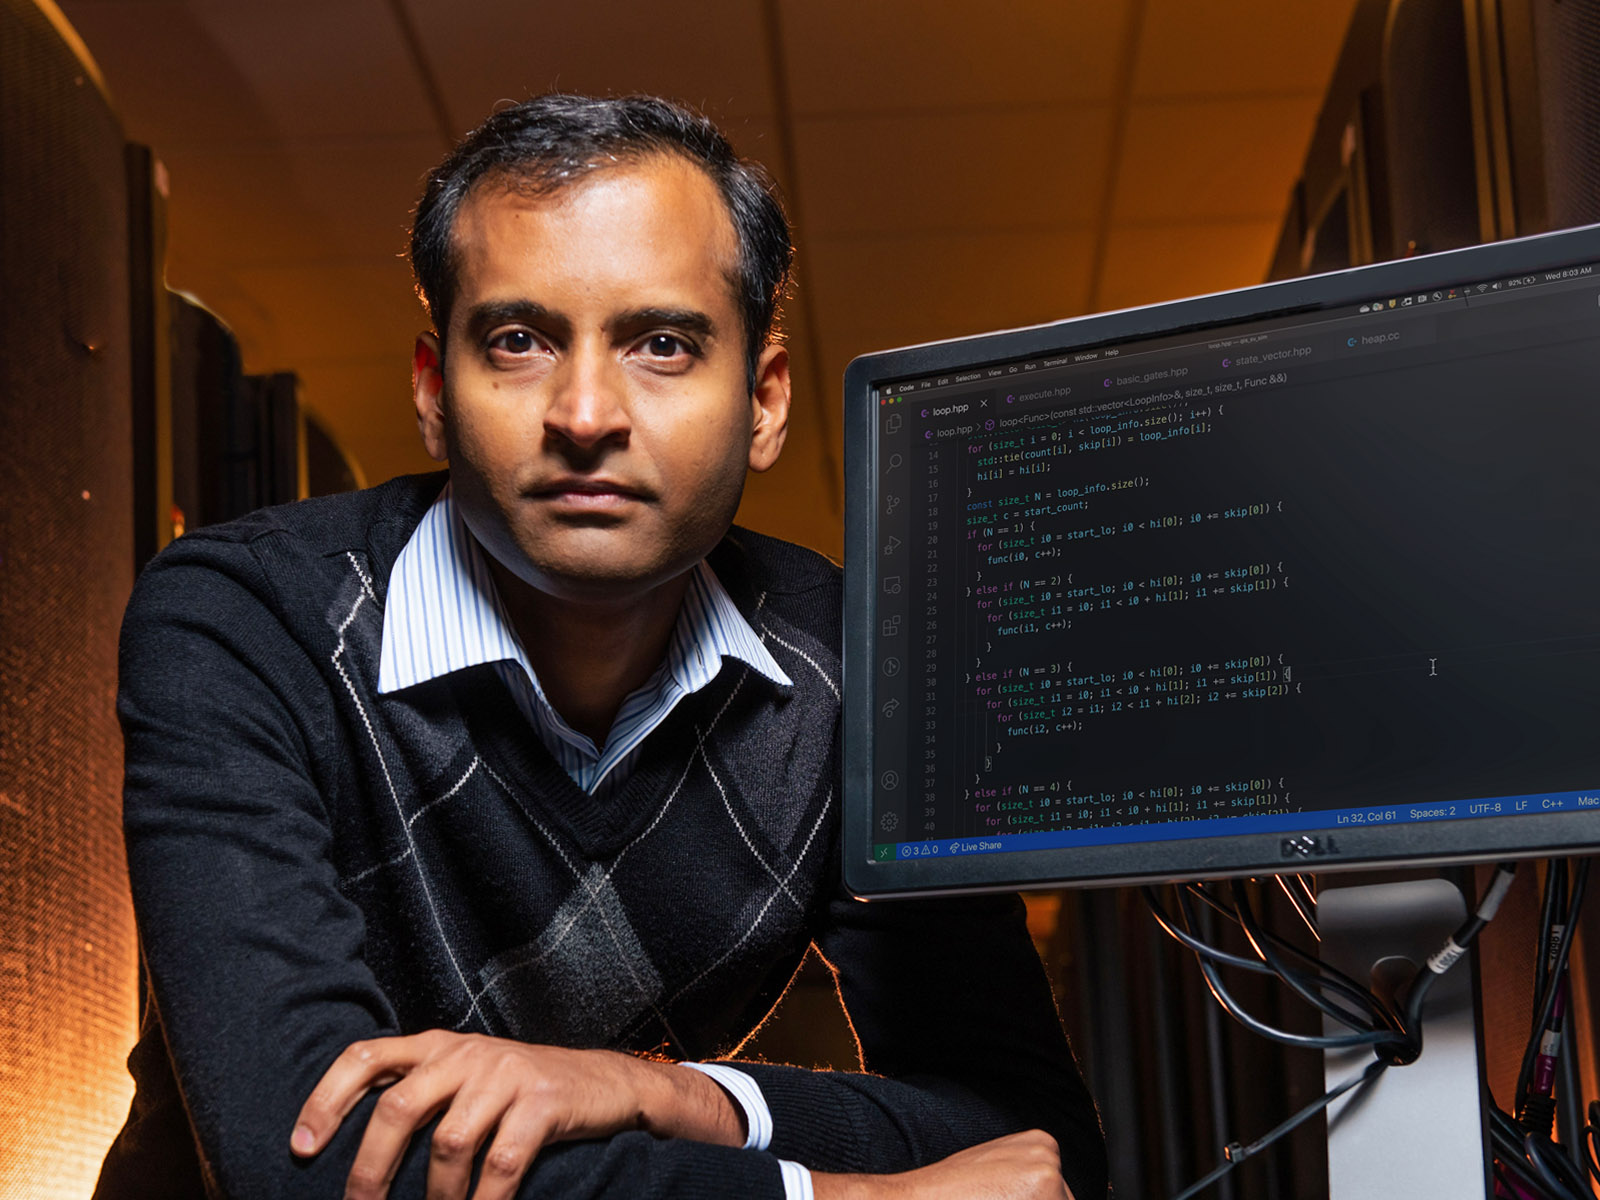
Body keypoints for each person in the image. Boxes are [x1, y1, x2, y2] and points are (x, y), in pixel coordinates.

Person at [94, 93, 1106, 1200]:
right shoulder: (244, 620)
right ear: (435, 392)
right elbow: (308, 1161)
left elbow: (1026, 1137)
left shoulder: (869, 663)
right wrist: (834, 1196)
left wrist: (661, 1093)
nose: (584, 412)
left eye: (662, 345)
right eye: (519, 341)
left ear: (763, 401)